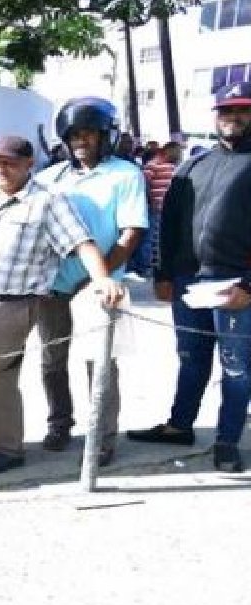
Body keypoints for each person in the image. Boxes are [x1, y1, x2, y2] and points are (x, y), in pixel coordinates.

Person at [0, 135, 124, 474]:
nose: (1, 169)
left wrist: (102, 279)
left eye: (10, 163)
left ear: (30, 164)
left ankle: (8, 449)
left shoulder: (48, 201)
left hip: (10, 305)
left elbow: (81, 243)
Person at [129, 81, 251, 472]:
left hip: (235, 285)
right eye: (226, 111)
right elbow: (168, 223)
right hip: (187, 282)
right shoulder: (193, 164)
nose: (233, 118)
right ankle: (179, 425)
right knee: (191, 358)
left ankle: (227, 440)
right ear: (216, 116)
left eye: (242, 111)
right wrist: (161, 274)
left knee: (236, 367)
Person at [34, 97, 147, 464]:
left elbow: (131, 233)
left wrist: (99, 276)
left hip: (99, 286)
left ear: (105, 136)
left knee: (99, 363)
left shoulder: (125, 175)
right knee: (52, 360)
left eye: (89, 133)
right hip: (52, 284)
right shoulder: (48, 178)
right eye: (74, 134)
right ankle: (60, 423)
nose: (82, 140)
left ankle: (102, 436)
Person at [132, 141, 181, 277]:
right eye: (177, 151)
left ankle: (160, 263)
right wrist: (150, 201)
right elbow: (144, 184)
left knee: (164, 237)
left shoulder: (174, 166)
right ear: (168, 151)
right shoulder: (152, 165)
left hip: (170, 208)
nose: (179, 155)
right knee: (151, 238)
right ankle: (145, 266)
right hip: (156, 207)